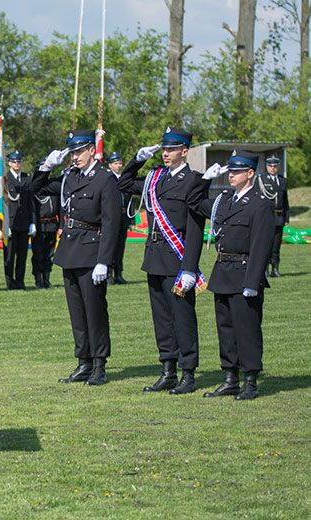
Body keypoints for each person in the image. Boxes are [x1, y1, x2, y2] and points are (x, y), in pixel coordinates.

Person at [116, 128, 207, 394]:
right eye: (164, 149)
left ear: (184, 151)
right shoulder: (155, 177)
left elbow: (195, 228)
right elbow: (123, 184)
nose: (166, 153)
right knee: (162, 319)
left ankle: (188, 373)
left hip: (177, 259)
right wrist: (138, 159)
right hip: (154, 256)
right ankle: (168, 370)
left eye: (171, 149)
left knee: (183, 317)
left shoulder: (194, 181)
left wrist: (189, 267)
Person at [32, 130, 121, 385]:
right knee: (77, 313)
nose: (75, 157)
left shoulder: (104, 179)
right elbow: (35, 188)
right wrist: (46, 166)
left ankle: (99, 364)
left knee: (95, 311)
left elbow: (111, 223)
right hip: (70, 251)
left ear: (92, 150)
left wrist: (104, 261)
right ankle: (84, 361)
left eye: (79, 151)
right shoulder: (69, 177)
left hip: (91, 252)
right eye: (72, 152)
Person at [197, 151, 274, 400]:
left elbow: (261, 245)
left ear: (250, 173)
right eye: (230, 171)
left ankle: (250, 380)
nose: (231, 175)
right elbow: (195, 202)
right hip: (223, 272)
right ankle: (230, 377)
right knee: (226, 329)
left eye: (237, 171)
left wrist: (253, 281)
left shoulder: (259, 204)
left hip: (244, 273)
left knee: (247, 330)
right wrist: (205, 180)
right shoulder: (224, 200)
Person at [4, 151, 35, 290]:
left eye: (19, 161)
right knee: (9, 256)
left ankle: (20, 282)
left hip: (24, 222)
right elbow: (3, 203)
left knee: (22, 256)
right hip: (11, 222)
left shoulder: (27, 178)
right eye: (14, 161)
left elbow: (30, 203)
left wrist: (33, 222)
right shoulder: (5, 179)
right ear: (9, 163)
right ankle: (10, 282)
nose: (17, 164)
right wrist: (4, 224)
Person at [257, 155, 289, 277]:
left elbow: (285, 201)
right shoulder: (261, 179)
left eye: (275, 166)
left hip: (279, 217)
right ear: (267, 167)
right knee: (265, 245)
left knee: (276, 246)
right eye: (270, 166)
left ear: (278, 167)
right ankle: (264, 269)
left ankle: (275, 269)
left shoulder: (282, 180)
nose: (273, 168)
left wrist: (286, 217)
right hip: (266, 217)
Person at [31, 159, 59, 289]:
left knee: (49, 254)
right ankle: (38, 279)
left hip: (52, 224)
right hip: (39, 225)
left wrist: (61, 226)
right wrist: (32, 223)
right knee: (38, 254)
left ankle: (46, 279)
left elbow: (60, 208)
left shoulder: (53, 185)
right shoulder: (34, 187)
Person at [105, 152, 130, 285]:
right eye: (116, 163)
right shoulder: (108, 178)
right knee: (111, 246)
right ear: (110, 165)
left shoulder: (123, 178)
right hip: (112, 218)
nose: (118, 166)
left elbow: (128, 199)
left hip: (123, 217)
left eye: (120, 163)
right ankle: (108, 273)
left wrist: (130, 217)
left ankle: (118, 273)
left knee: (120, 246)